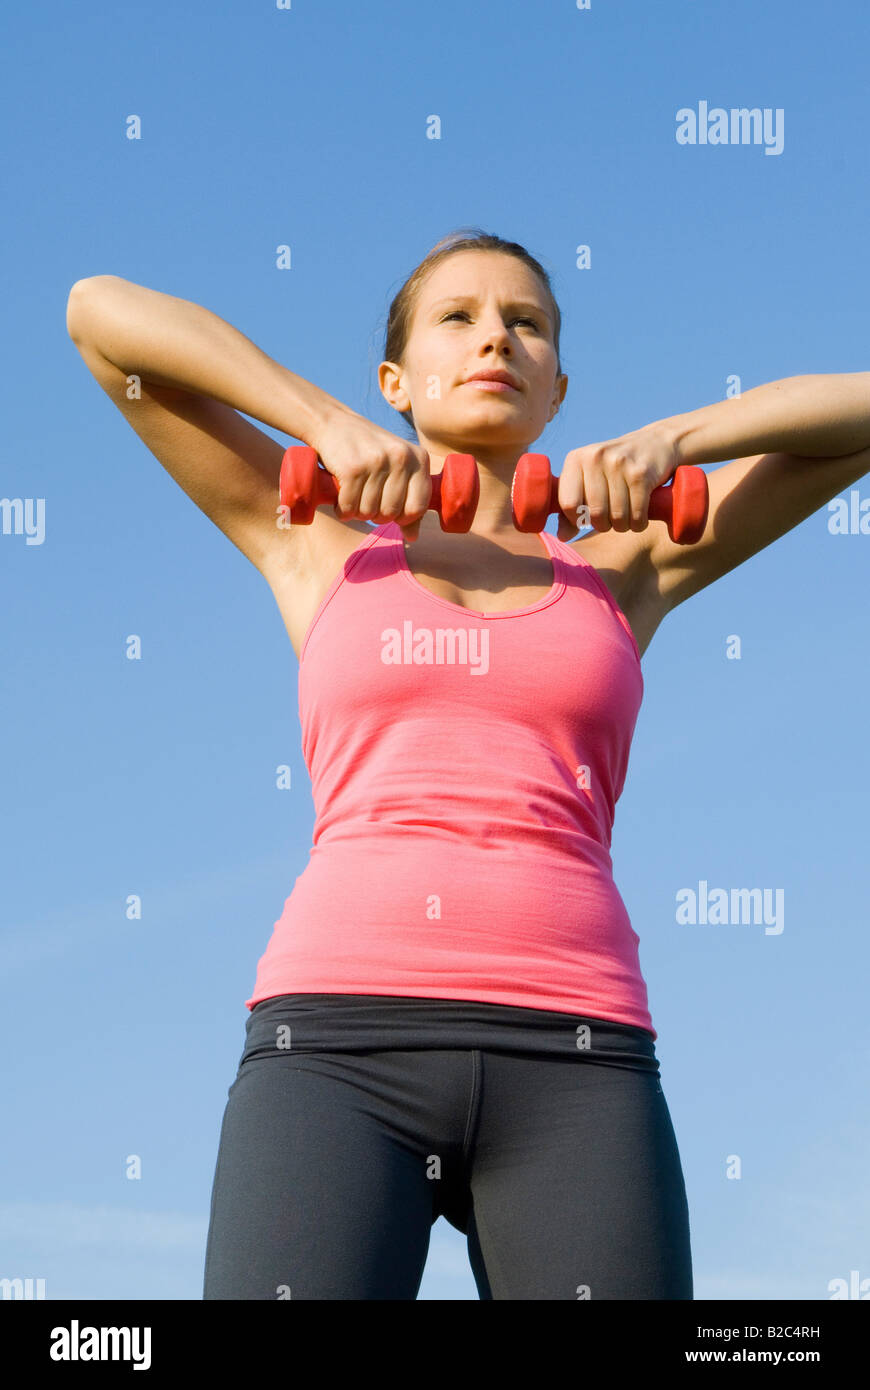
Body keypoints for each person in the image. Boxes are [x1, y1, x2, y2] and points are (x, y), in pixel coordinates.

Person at [67, 229, 867, 1299]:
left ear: (558, 389)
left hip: (578, 1053)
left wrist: (681, 437)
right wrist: (323, 423)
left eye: (526, 322)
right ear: (396, 380)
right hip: (334, 1045)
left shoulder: (625, 565)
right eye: (460, 316)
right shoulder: (311, 535)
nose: (497, 335)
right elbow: (98, 313)